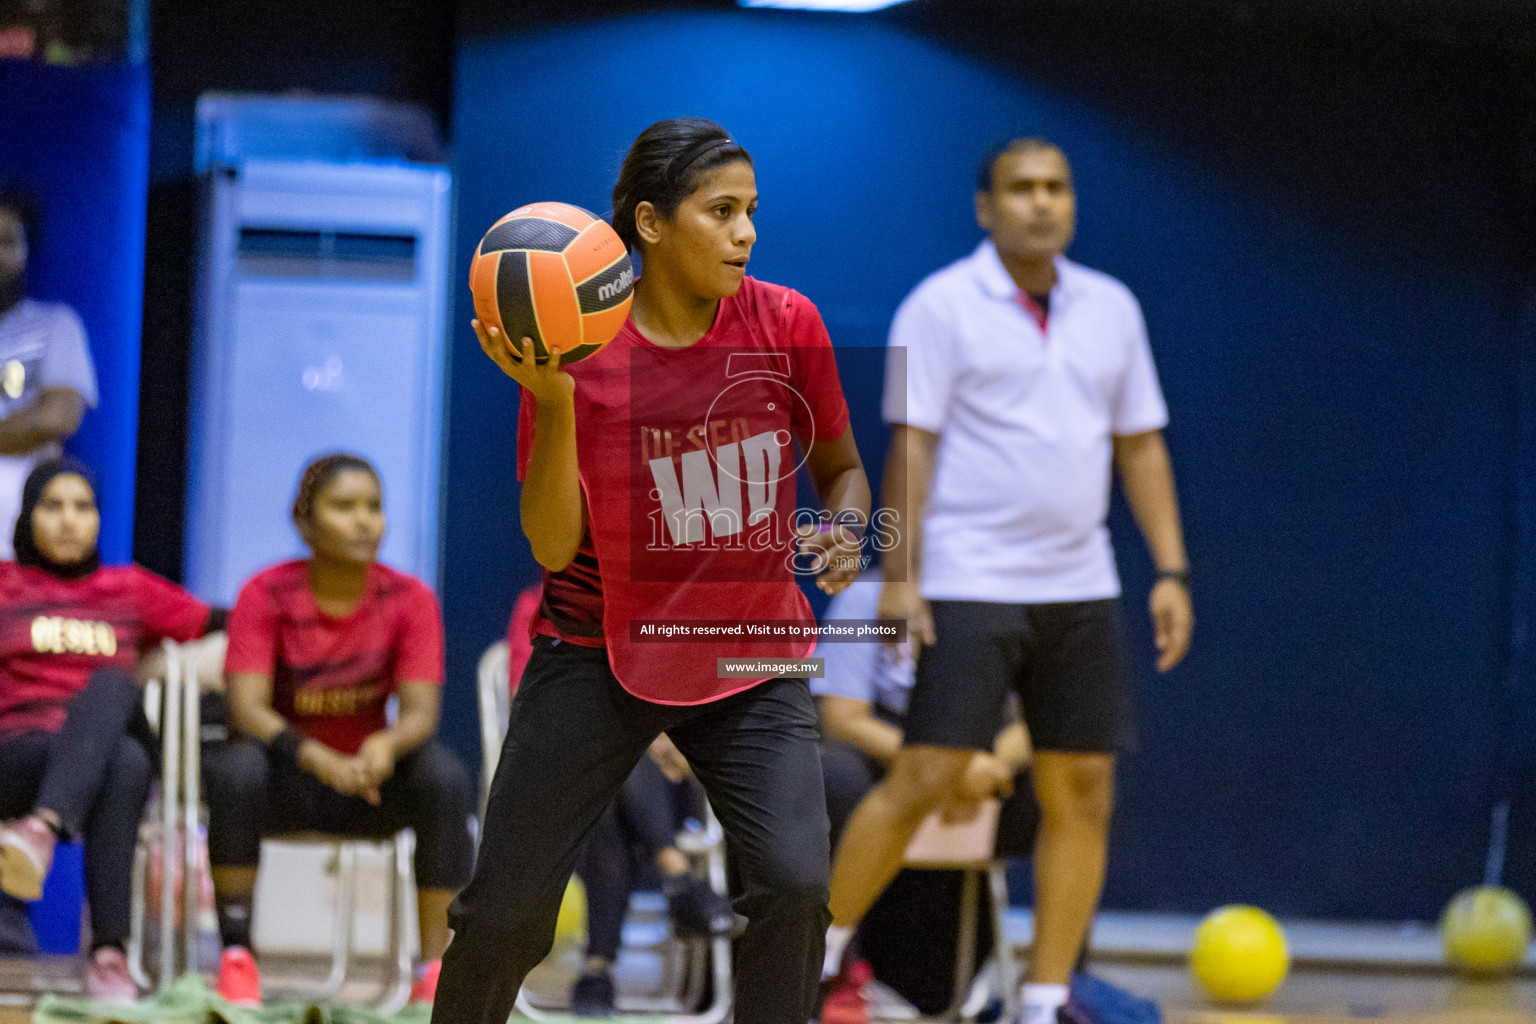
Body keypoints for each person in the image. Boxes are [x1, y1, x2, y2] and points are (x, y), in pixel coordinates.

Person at [433, 117, 870, 1024]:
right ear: (650, 223)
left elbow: (841, 464)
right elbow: (552, 548)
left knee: (793, 889)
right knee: (506, 917)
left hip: (749, 649)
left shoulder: (788, 323)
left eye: (751, 211)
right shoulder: (576, 345)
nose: (746, 231)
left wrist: (849, 526)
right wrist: (551, 404)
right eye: (721, 211)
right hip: (594, 647)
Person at [821, 138, 1193, 1024]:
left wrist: (1170, 568)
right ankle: (816, 954)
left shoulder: (1112, 308)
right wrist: (902, 577)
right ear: (986, 207)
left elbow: (1139, 443)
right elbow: (912, 444)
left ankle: (1044, 999)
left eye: (1057, 187)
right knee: (923, 773)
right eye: (1022, 188)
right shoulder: (943, 304)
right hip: (968, 576)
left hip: (1082, 583)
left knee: (1083, 788)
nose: (1041, 202)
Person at [203, 453, 474, 1007]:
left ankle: (435, 969)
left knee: (443, 776)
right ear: (306, 523)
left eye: (373, 507)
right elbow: (247, 707)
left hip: (369, 784)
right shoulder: (266, 593)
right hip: (288, 781)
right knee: (235, 768)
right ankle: (237, 956)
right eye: (344, 506)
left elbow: (421, 711)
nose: (364, 521)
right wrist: (317, 757)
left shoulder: (410, 598)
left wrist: (387, 742)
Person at [0, 459, 223, 1000]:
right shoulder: (6, 585)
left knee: (115, 711)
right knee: (122, 752)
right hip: (16, 754)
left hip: (97, 760)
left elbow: (230, 624)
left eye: (83, 506)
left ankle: (44, 836)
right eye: (53, 507)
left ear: (99, 520)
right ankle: (109, 955)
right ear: (28, 518)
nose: (69, 520)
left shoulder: (129, 589)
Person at [503, 585, 734, 1017]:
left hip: (663, 785)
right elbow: (534, 703)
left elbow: (697, 702)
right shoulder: (539, 606)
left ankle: (596, 971)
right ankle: (677, 875)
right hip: (575, 778)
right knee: (608, 763)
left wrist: (672, 734)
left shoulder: (666, 607)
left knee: (615, 770)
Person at [0, 186, 99, 558]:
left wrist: (34, 423)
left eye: (8, 242)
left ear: (28, 251)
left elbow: (57, 417)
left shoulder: (57, 325)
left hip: (23, 535)